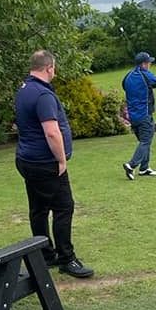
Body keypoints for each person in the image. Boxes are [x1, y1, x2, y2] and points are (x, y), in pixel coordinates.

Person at [14, 49, 94, 278]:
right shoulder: (42, 95)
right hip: (45, 162)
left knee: (38, 209)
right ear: (49, 68)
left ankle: (44, 254)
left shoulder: (24, 90)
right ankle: (66, 258)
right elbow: (52, 132)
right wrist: (61, 160)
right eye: (54, 68)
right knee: (63, 207)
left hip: (27, 159)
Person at [122, 51, 156, 180]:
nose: (150, 65)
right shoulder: (145, 75)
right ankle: (131, 165)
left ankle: (144, 168)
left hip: (133, 116)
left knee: (145, 142)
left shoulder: (127, 76)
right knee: (145, 141)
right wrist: (145, 73)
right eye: (149, 63)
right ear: (144, 64)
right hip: (144, 114)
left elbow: (124, 86)